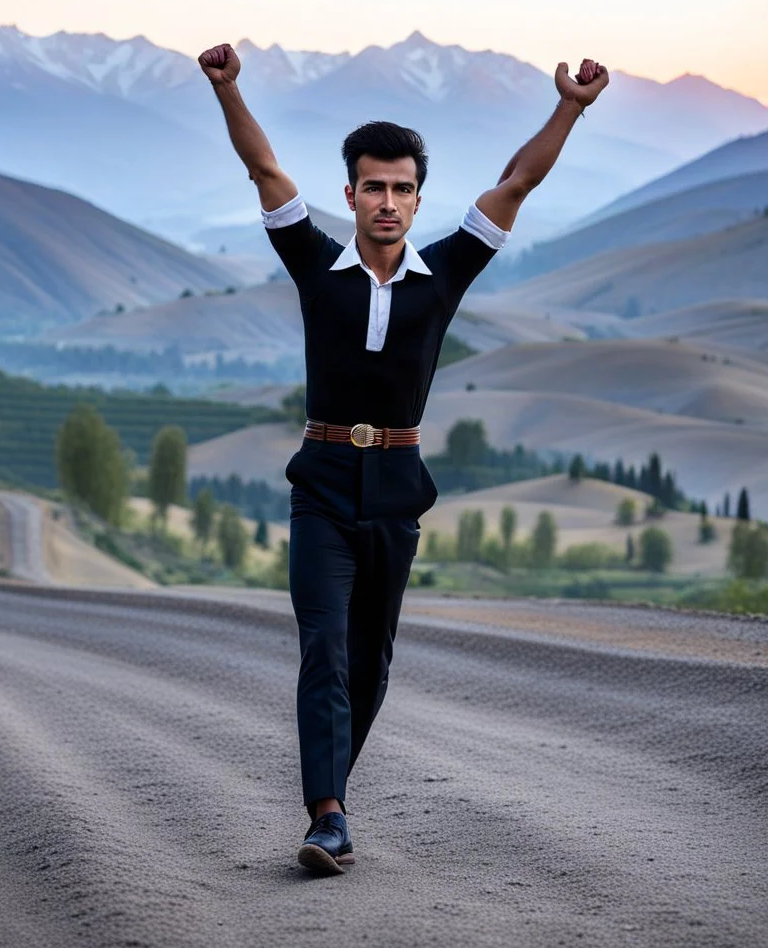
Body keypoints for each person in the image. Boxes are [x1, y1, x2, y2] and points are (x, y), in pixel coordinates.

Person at [199, 43, 608, 875]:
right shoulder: (315, 261)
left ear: (418, 199)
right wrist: (229, 89)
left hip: (396, 490)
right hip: (319, 486)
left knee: (372, 659)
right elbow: (265, 170)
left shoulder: (447, 272)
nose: (387, 201)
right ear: (350, 194)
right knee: (325, 646)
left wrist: (570, 107)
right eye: (373, 187)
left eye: (402, 188)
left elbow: (517, 183)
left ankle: (331, 793)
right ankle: (328, 818)